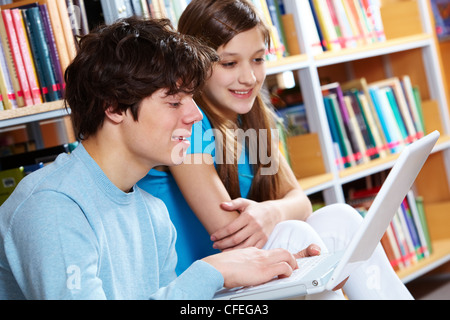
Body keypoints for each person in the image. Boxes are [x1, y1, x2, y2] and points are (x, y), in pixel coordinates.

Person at [0, 17, 320, 300]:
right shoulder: (52, 207)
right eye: (174, 101)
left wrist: (276, 285)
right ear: (113, 107)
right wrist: (213, 272)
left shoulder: (152, 213)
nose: (195, 116)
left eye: (192, 100)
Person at [138, 0, 413, 300]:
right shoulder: (188, 124)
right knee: (293, 235)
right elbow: (232, 232)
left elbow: (300, 201)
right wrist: (277, 222)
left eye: (258, 59)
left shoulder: (252, 120)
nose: (250, 77)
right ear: (195, 63)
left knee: (343, 219)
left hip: (246, 271)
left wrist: (271, 211)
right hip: (203, 287)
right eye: (230, 63)